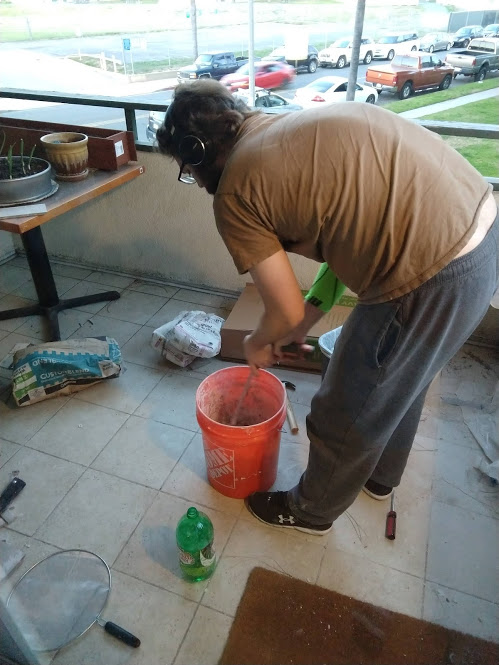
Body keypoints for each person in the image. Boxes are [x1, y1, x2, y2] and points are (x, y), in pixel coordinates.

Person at [156, 79, 498, 536]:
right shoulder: (281, 129)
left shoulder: (235, 190)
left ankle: (310, 512)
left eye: (187, 170)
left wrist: (259, 341)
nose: (195, 181)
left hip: (430, 270)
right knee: (404, 376)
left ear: (195, 152)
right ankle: (380, 477)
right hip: (481, 231)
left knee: (342, 408)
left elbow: (283, 310)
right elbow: (346, 235)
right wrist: (305, 319)